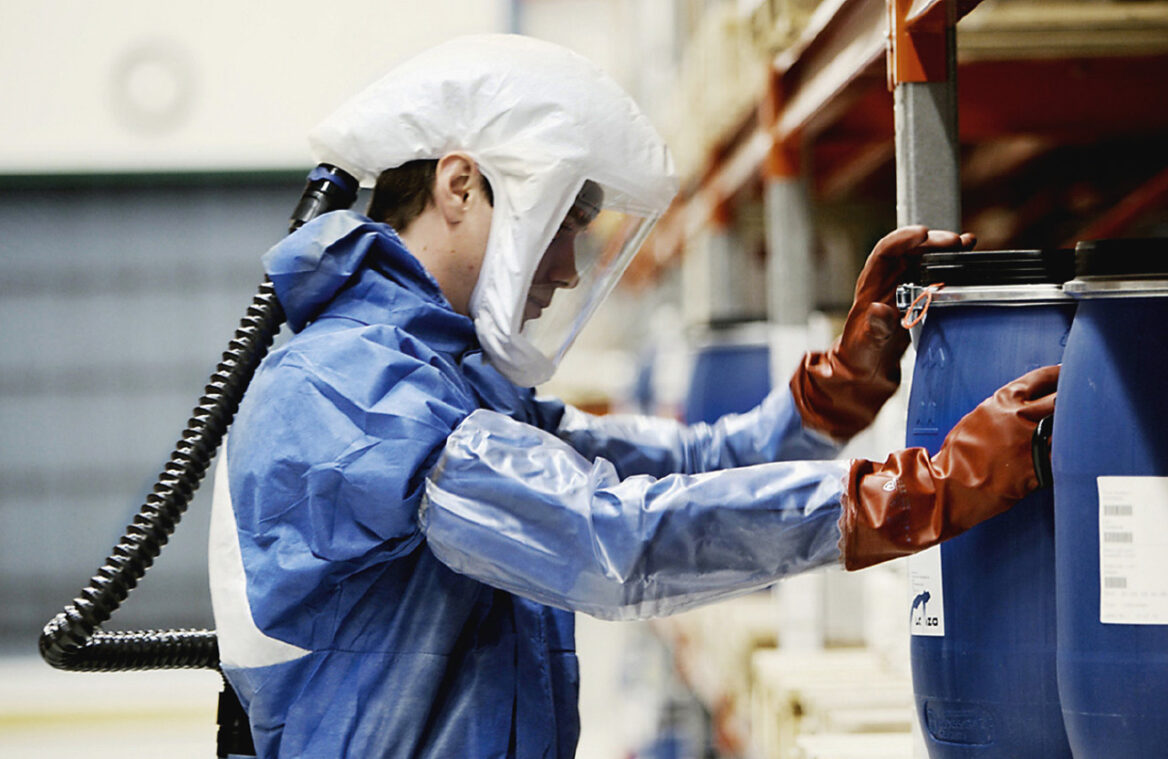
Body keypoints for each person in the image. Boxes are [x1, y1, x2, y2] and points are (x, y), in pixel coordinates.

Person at [208, 34, 1059, 758]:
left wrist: (845, 379)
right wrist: (923, 490)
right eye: (564, 221)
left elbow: (683, 466)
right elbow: (615, 539)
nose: (570, 268)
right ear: (459, 186)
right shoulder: (357, 395)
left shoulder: (448, 384)